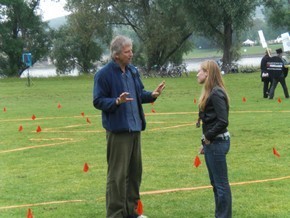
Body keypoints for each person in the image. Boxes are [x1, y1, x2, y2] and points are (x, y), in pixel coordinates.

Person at [93, 35, 165, 218]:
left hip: (135, 129)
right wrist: (117, 101)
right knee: (117, 176)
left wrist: (153, 95)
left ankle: (132, 212)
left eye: (131, 50)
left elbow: (139, 94)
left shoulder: (133, 71)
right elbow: (98, 101)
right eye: (127, 51)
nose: (131, 54)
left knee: (134, 173)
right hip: (118, 132)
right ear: (116, 55)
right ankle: (116, 213)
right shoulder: (103, 75)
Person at [196, 60, 232, 218]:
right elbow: (211, 120)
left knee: (221, 185)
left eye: (200, 71)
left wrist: (208, 137)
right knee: (216, 185)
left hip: (217, 142)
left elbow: (223, 120)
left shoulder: (216, 93)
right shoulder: (210, 92)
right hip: (212, 144)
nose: (197, 74)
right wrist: (205, 142)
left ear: (208, 73)